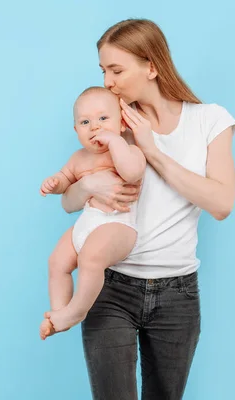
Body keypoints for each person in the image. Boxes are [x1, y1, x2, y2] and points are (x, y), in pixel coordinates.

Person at [60, 19, 235, 399]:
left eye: (116, 70)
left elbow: (221, 204)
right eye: (103, 70)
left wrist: (153, 152)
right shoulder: (109, 122)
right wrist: (87, 185)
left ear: (152, 67)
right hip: (111, 288)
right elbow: (68, 202)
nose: (107, 81)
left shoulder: (209, 121)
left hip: (178, 295)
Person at [38, 86, 146, 340]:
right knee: (56, 263)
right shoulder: (78, 158)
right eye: (85, 122)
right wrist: (55, 183)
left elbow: (132, 173)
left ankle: (77, 310)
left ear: (122, 123)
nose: (95, 127)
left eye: (103, 119)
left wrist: (116, 142)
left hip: (118, 224)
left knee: (91, 258)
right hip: (87, 223)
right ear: (76, 130)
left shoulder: (130, 150)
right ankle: (58, 313)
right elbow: (66, 181)